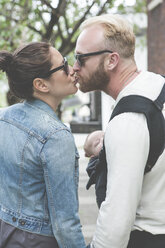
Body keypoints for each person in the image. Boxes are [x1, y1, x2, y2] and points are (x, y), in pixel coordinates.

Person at [73, 14, 165, 248]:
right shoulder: (157, 87)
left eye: (80, 58)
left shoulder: (128, 120)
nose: (74, 68)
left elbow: (117, 220)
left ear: (111, 60)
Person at [0, 42, 87, 248]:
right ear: (41, 85)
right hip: (38, 240)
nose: (73, 69)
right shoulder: (55, 135)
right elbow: (65, 222)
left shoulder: (3, 118)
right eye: (64, 65)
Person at [84, 130, 106, 208]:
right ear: (92, 156)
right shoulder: (99, 167)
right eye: (97, 143)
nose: (103, 140)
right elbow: (101, 196)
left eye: (104, 136)